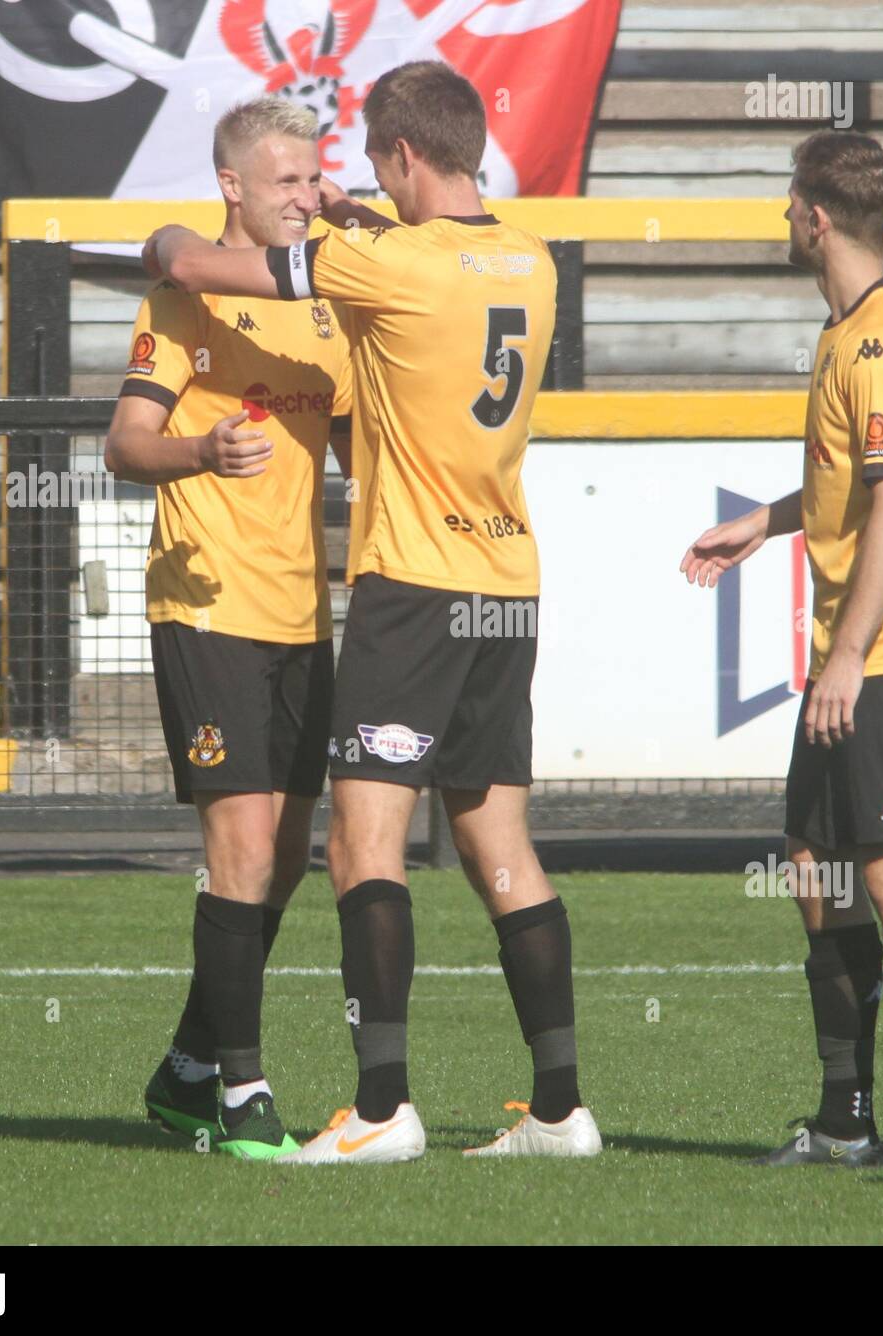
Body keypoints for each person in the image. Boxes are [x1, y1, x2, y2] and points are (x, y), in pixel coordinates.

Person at [144, 60, 601, 1164]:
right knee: (501, 848)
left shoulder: (384, 265)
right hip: (509, 581)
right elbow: (417, 262)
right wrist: (365, 216)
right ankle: (558, 1109)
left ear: (398, 157)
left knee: (360, 844)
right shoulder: (530, 260)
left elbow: (197, 260)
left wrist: (165, 244)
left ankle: (384, 1106)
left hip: (416, 586)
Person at [682, 130, 883, 1171]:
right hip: (853, 655)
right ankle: (845, 1116)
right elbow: (859, 482)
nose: (782, 216)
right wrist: (767, 520)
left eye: (787, 200)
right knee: (818, 870)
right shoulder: (847, 332)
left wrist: (846, 656)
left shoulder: (880, 344)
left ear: (814, 215)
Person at [105, 97, 353, 1161]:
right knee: (240, 846)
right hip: (205, 604)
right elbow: (125, 443)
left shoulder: (329, 294)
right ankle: (244, 1093)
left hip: (302, 607)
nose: (305, 196)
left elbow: (350, 445)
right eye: (286, 181)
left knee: (288, 853)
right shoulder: (184, 292)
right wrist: (202, 450)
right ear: (234, 188)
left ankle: (189, 1063)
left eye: (314, 177)